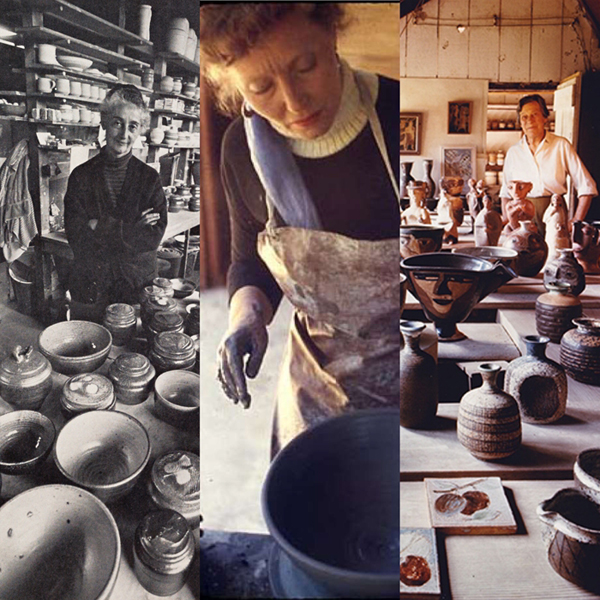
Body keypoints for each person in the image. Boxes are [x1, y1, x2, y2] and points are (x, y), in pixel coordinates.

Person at [200, 3, 400, 456]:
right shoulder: (240, 150)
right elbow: (249, 262)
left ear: (331, 35)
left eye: (304, 66)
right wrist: (246, 320)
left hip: (413, 371)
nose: (294, 103)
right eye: (261, 87)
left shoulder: (393, 113)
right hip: (317, 377)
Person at [64, 84, 167, 319]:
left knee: (131, 351)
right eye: (117, 123)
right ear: (104, 123)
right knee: (87, 348)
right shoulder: (81, 176)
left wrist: (98, 225)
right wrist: (131, 228)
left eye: (133, 126)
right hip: (90, 285)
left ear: (141, 130)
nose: (124, 134)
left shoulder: (149, 178)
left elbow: (152, 237)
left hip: (134, 286)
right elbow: (76, 235)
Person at [499, 94, 597, 234]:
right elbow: (505, 193)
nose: (529, 121)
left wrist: (575, 221)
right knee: (525, 253)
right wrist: (510, 223)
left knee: (555, 254)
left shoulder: (561, 145)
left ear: (545, 117)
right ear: (520, 122)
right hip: (522, 218)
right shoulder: (514, 152)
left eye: (534, 114)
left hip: (555, 214)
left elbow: (587, 186)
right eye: (524, 117)